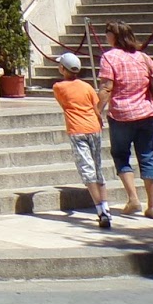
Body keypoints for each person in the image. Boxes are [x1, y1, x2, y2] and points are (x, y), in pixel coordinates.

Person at [98, 21, 153, 219]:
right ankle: (152, 206)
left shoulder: (109, 57)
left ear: (114, 36)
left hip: (122, 114)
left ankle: (133, 198)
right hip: (148, 113)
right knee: (147, 156)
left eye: (107, 33)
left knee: (120, 155)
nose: (105, 36)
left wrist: (97, 110)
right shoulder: (143, 57)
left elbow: (107, 87)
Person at [52, 52, 111, 229]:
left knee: (87, 171)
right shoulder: (86, 86)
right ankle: (105, 207)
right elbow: (96, 107)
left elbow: (64, 105)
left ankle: (101, 210)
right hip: (94, 127)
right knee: (97, 167)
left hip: (77, 130)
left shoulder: (58, 87)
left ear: (63, 69)